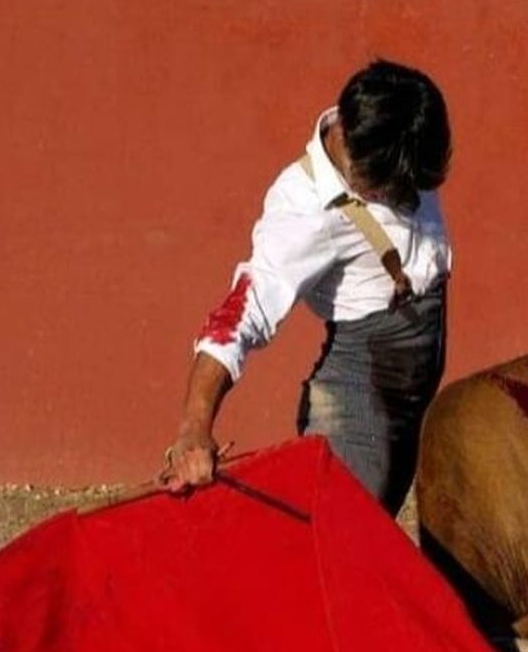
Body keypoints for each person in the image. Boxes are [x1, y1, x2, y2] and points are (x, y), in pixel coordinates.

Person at [159, 59, 453, 516]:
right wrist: (194, 428)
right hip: (360, 399)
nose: (411, 199)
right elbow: (241, 314)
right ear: (368, 178)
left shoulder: (391, 120)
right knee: (348, 545)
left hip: (412, 386)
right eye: (399, 189)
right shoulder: (304, 209)